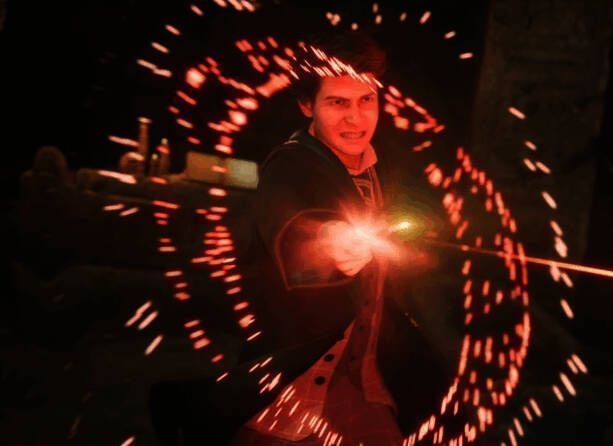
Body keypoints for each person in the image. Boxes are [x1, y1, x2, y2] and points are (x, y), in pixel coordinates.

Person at [150, 31, 447, 446]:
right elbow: (292, 225)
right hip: (295, 379)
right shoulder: (288, 165)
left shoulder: (380, 165)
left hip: (363, 377)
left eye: (366, 100)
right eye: (337, 102)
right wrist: (330, 241)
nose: (356, 118)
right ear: (307, 105)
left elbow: (414, 216)